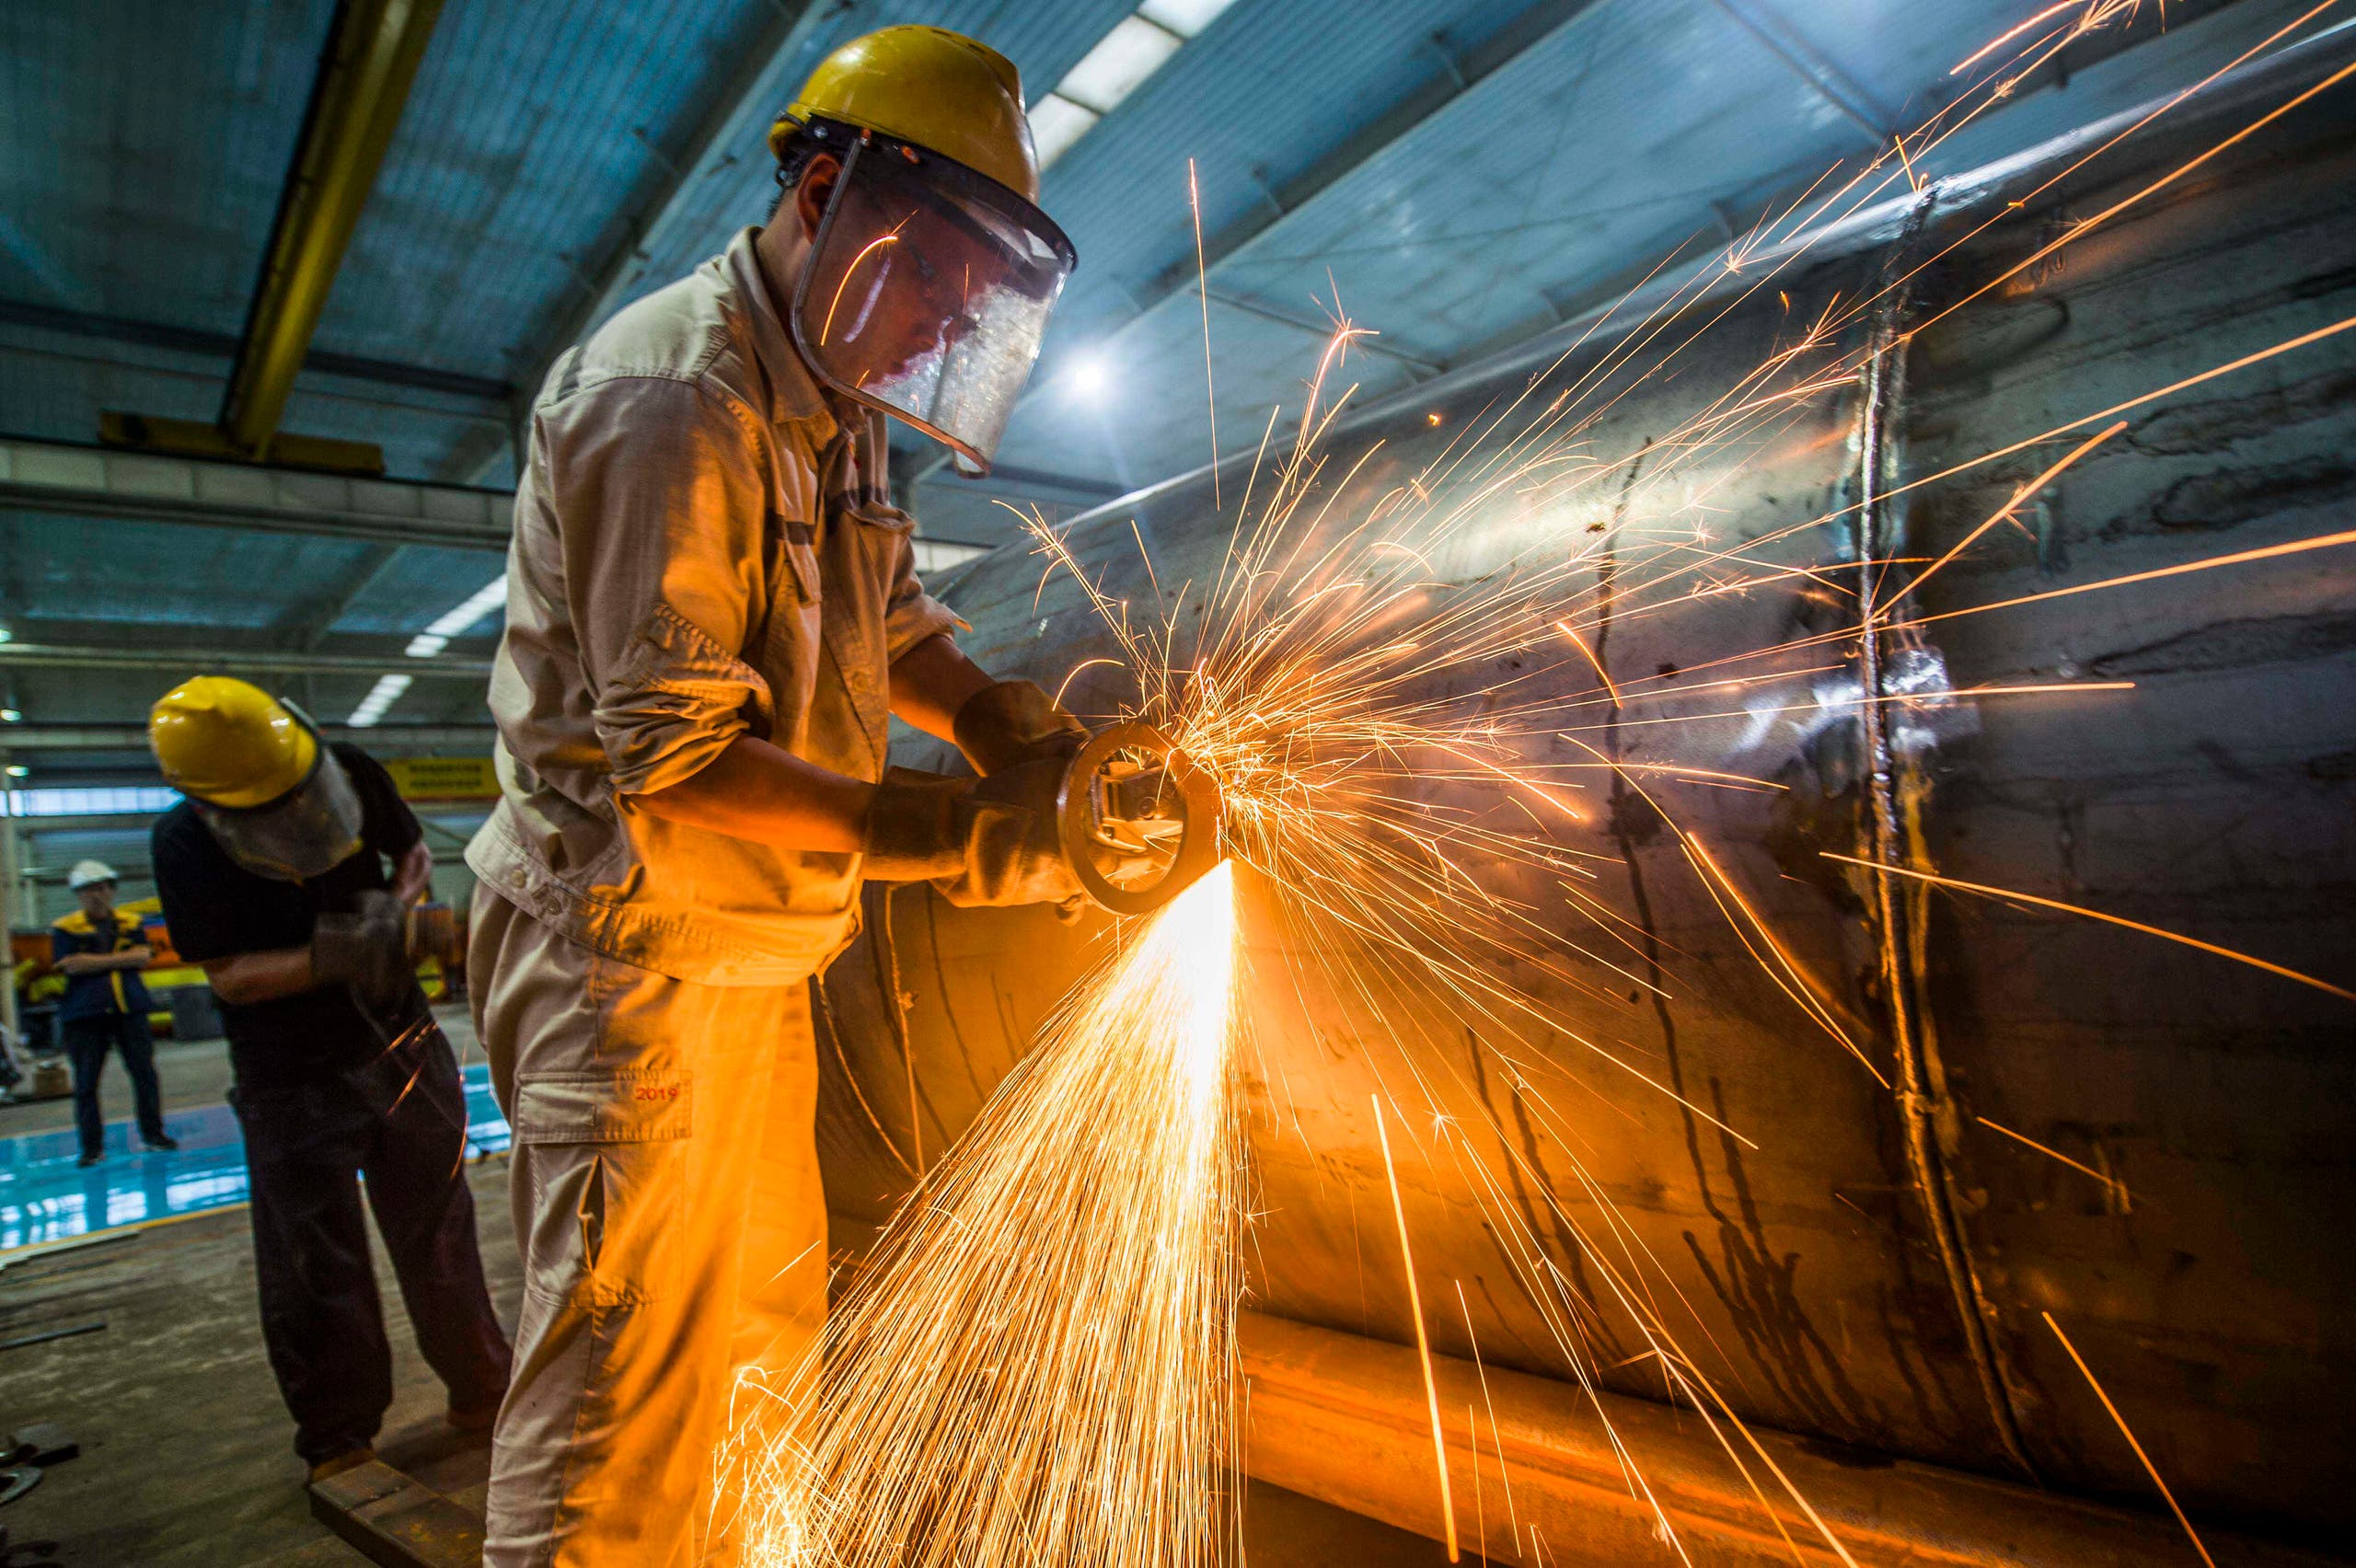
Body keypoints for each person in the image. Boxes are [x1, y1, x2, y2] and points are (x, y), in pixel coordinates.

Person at [464, 24, 1094, 1563]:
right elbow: (674, 761)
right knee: (624, 1406)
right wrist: (946, 833)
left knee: (753, 1353)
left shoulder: (834, 385)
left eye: (968, 302)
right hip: (628, 961)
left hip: (745, 952)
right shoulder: (672, 399)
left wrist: (1005, 725)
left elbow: (882, 613)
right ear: (826, 183)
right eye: (930, 275)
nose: (939, 322)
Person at [146, 676, 513, 1484]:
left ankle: (483, 1389)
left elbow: (412, 852)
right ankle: (339, 1435)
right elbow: (232, 977)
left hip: (402, 1042)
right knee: (317, 1257)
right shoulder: (184, 844)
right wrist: (347, 949)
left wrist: (396, 903)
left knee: (439, 1225)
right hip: (289, 1077)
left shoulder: (346, 769)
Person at [50, 859, 177, 1166]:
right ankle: (91, 1148)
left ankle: (153, 1135)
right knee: (86, 1083)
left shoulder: (131, 923)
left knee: (145, 1075)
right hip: (85, 1016)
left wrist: (93, 960)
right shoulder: (64, 929)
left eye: (103, 888)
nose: (98, 894)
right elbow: (70, 964)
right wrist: (121, 958)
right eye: (90, 889)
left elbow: (143, 956)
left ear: (112, 890)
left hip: (129, 1010)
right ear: (78, 894)